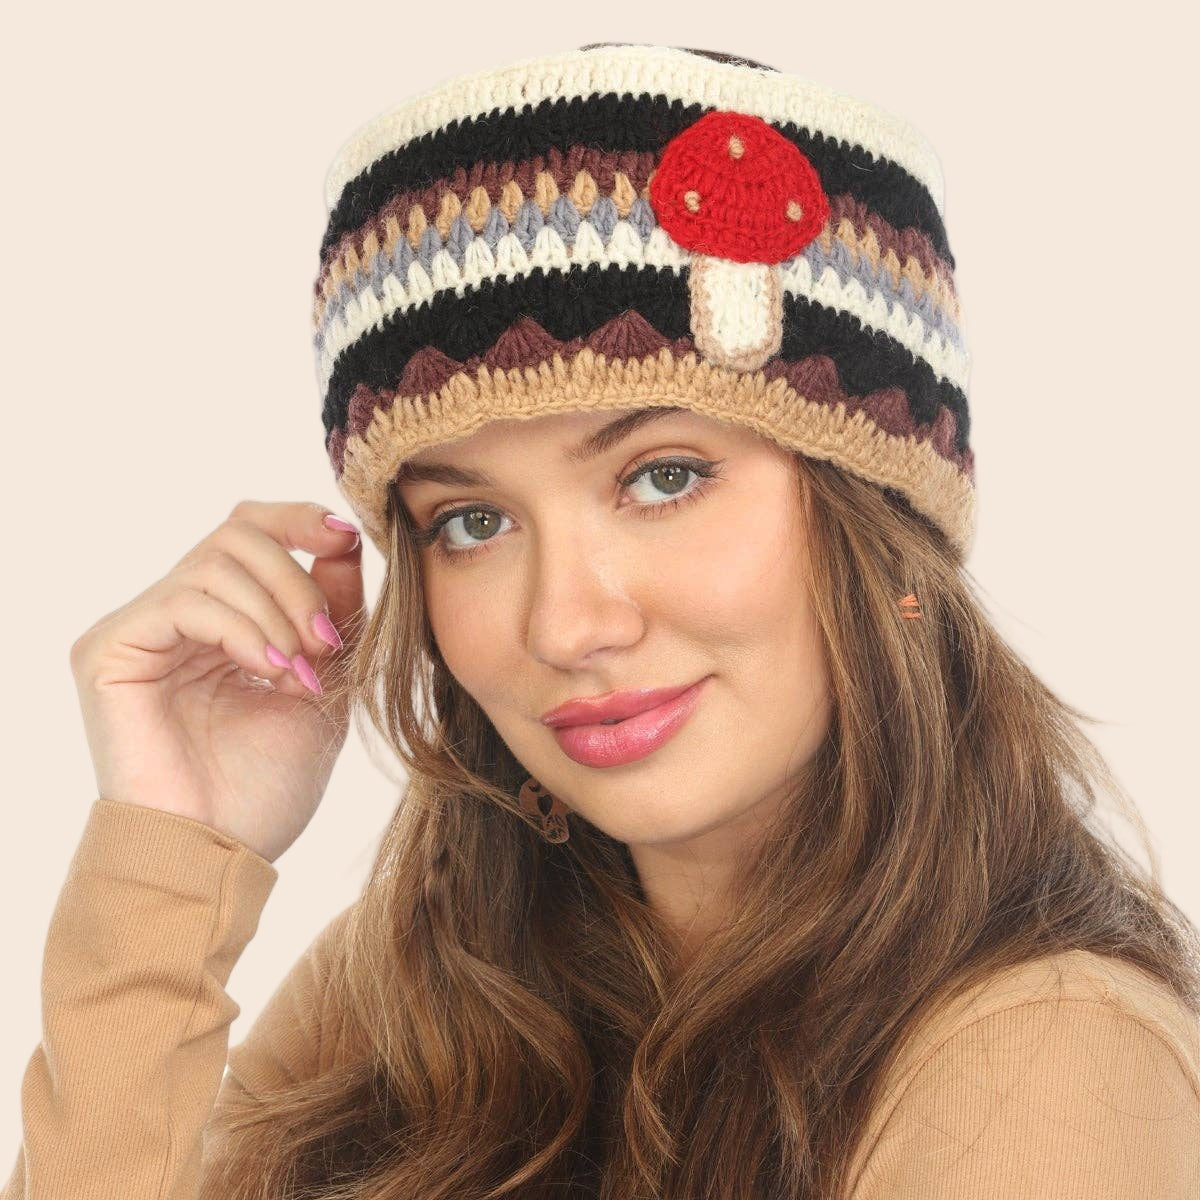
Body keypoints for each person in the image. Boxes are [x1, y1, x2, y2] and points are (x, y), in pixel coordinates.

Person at [5, 41, 1199, 1200]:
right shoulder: (409, 1002)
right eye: (472, 522)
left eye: (664, 477)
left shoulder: (1040, 1064)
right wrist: (173, 849)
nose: (566, 626)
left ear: (881, 519)